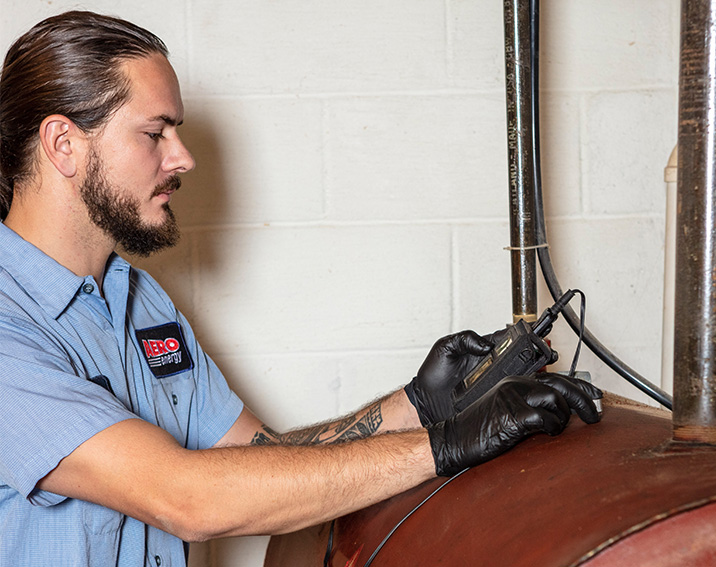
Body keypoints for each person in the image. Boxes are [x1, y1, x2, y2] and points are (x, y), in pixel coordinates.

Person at [0, 10, 602, 566]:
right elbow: (185, 497)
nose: (183, 157)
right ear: (64, 145)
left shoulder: (139, 299)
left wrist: (415, 407)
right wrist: (445, 445)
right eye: (155, 133)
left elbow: (251, 458)